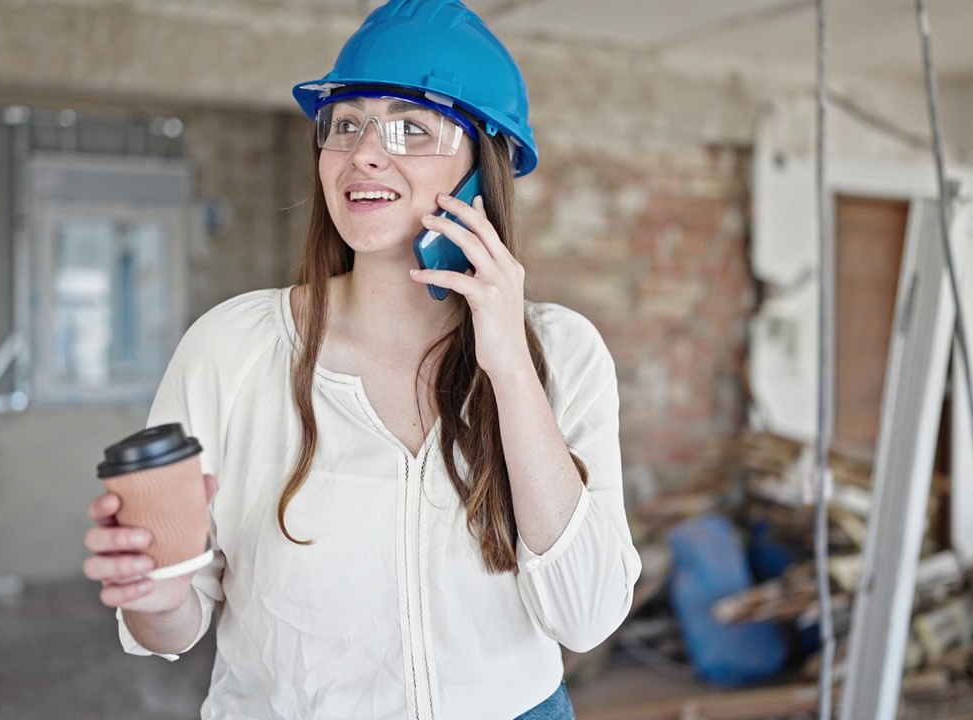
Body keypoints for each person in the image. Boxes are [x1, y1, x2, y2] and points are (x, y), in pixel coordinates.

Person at [82, 1, 641, 717]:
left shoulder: (562, 353)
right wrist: (155, 600)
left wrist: (508, 365)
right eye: (346, 124)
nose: (365, 152)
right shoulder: (232, 348)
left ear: (482, 170)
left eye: (413, 128)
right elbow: (176, 618)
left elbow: (587, 616)